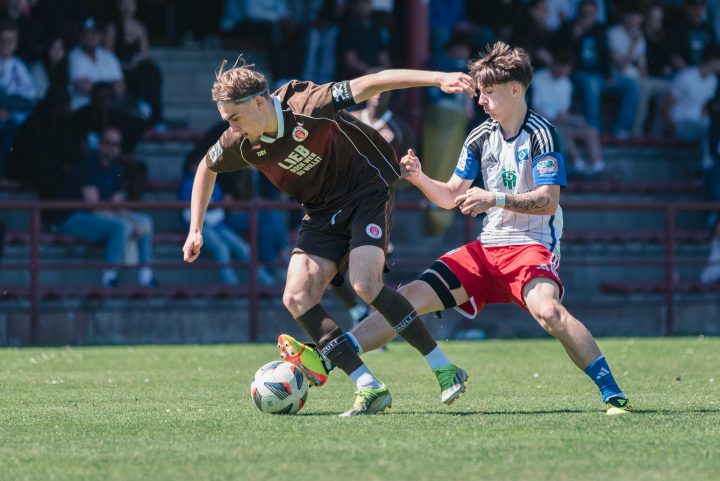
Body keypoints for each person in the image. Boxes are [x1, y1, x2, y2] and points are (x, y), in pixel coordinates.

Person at [285, 42, 636, 416]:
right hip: (486, 250)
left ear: (515, 90)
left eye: (488, 92)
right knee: (406, 299)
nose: (480, 100)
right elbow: (452, 196)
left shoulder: (542, 134)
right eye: (480, 92)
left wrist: (494, 199)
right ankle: (330, 357)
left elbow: (548, 200)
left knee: (549, 313)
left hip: (530, 246)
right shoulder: (478, 135)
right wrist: (420, 178)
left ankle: (612, 393)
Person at [182, 59, 475, 416]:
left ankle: (444, 367)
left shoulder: (307, 104)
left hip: (366, 192)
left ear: (259, 103)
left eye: (234, 118)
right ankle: (369, 387)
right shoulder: (241, 142)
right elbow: (205, 168)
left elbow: (375, 81)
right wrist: (196, 228)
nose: (231, 127)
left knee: (365, 284)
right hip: (321, 212)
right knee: (296, 296)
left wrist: (438, 77)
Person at [59, 126, 156, 288]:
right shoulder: (88, 165)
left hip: (98, 216)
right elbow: (93, 205)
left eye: (116, 145)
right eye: (108, 143)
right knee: (122, 226)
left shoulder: (114, 169)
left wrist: (133, 221)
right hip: (73, 217)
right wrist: (128, 223)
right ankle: (109, 276)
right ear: (100, 144)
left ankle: (145, 276)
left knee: (145, 222)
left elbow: (118, 205)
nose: (112, 148)